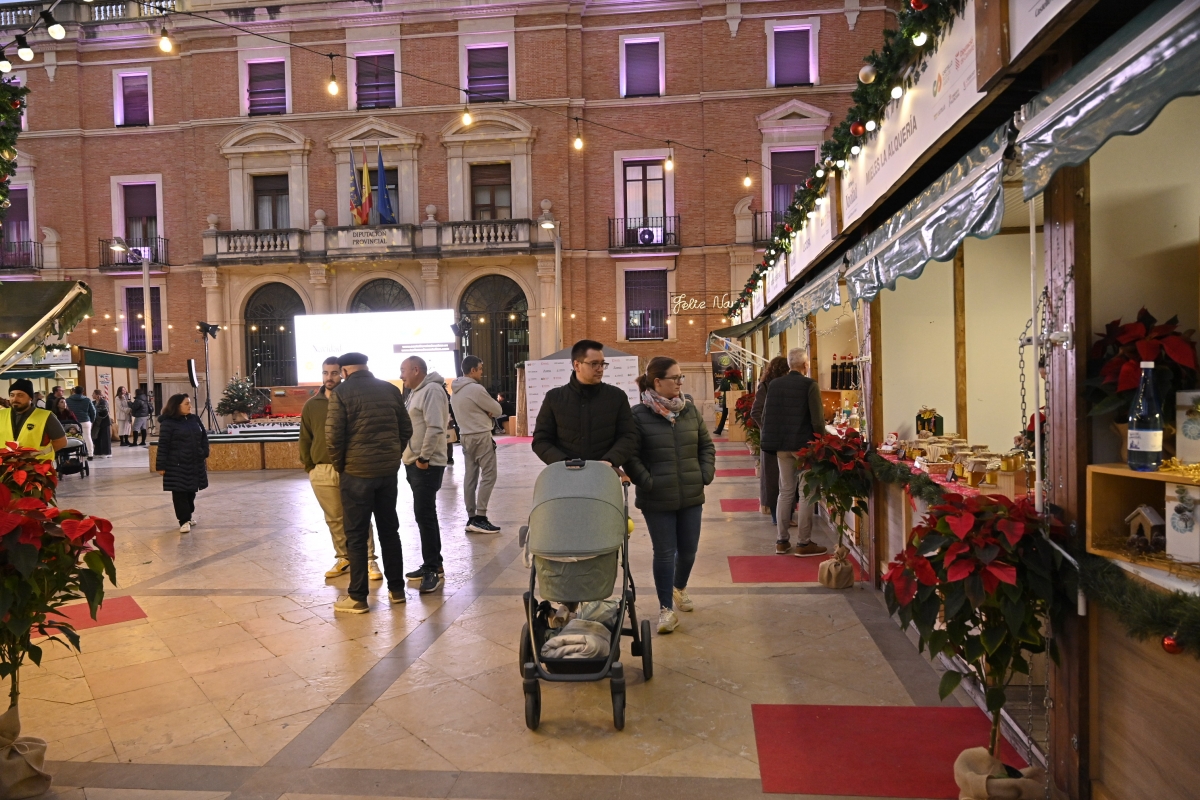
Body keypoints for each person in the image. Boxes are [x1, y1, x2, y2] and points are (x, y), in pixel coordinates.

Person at [624, 357, 716, 635]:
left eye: (681, 377)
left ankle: (679, 587)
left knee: (688, 551)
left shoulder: (689, 411)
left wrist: (704, 474)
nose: (679, 382)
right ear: (657, 382)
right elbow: (631, 456)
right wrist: (647, 482)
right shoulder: (638, 415)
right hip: (657, 498)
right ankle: (666, 609)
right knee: (664, 553)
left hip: (691, 492)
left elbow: (706, 446)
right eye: (674, 378)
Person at [325, 352, 413, 613]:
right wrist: (392, 456)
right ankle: (397, 590)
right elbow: (405, 429)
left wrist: (342, 466)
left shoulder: (342, 393)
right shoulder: (389, 389)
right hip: (386, 474)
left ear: (344, 371)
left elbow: (333, 437)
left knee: (355, 534)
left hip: (356, 475)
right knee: (389, 531)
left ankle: (358, 597)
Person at [300, 357, 382, 582]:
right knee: (334, 518)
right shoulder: (312, 405)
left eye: (334, 373)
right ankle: (343, 557)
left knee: (359, 516)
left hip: (351, 468)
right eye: (325, 373)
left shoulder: (352, 399)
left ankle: (368, 559)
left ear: (343, 374)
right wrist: (310, 467)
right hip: (322, 470)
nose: (329, 378)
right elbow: (305, 438)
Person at [759, 348, 828, 557]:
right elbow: (817, 419)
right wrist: (822, 441)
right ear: (805, 365)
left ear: (790, 364)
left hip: (781, 446)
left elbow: (767, 415)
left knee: (785, 491)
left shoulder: (775, 385)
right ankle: (804, 543)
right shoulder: (810, 385)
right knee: (806, 492)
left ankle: (781, 541)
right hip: (804, 447)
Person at [532, 339, 638, 468]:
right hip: (565, 476)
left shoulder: (617, 396)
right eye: (594, 364)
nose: (600, 369)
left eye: (602, 364)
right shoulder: (554, 398)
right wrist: (563, 462)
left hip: (605, 475)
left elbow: (628, 436)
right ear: (577, 365)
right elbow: (541, 440)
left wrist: (610, 460)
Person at [400, 356, 449, 593]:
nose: (401, 376)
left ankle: (432, 568)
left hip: (426, 465)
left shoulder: (431, 391)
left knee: (425, 515)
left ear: (416, 370)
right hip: (415, 462)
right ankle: (433, 563)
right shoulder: (416, 391)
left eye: (403, 370)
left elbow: (435, 426)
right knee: (424, 515)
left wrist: (423, 458)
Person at [451, 355, 503, 534]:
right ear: (472, 370)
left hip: (465, 436)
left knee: (470, 477)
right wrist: (487, 411)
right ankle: (481, 517)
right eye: (480, 369)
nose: (482, 372)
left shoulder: (455, 390)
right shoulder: (475, 389)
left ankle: (471, 517)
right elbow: (497, 409)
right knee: (489, 475)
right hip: (481, 436)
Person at [154, 393, 210, 534]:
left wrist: (204, 452)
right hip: (176, 464)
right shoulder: (168, 423)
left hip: (194, 463)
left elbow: (203, 436)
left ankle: (188, 516)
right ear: (176, 406)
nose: (190, 406)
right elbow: (163, 445)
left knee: (191, 491)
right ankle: (183, 520)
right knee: (180, 493)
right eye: (186, 403)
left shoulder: (195, 419)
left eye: (190, 403)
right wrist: (161, 465)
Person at [750, 356, 792, 526]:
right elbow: (755, 411)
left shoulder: (786, 386)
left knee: (788, 479)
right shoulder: (765, 386)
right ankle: (777, 516)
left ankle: (787, 516)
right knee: (773, 478)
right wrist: (767, 429)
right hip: (771, 440)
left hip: (787, 438)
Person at [1, 379, 68, 461]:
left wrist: (40, 454)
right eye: (12, 395)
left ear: (30, 398)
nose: (15, 399)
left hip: (37, 468)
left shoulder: (46, 416)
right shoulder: (1, 414)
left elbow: (61, 442)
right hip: (5, 468)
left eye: (20, 395)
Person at [66, 386, 97, 459]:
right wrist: (92, 420)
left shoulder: (68, 400)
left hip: (73, 421)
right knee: (88, 437)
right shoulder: (87, 400)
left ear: (74, 391)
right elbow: (93, 411)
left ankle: (72, 454)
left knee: (72, 437)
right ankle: (90, 454)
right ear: (83, 392)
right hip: (85, 420)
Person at [91, 389, 112, 458]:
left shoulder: (103, 402)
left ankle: (107, 452)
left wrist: (96, 412)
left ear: (97, 395)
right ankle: (97, 452)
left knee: (105, 437)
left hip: (104, 421)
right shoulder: (93, 402)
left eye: (93, 394)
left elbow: (104, 411)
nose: (92, 395)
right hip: (97, 422)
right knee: (97, 437)